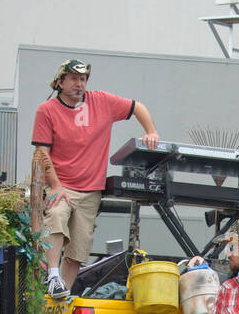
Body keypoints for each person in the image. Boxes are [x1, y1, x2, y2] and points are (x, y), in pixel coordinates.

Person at [31, 59, 159, 298]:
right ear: (60, 82)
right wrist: (56, 186)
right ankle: (53, 275)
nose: (79, 84)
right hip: (62, 185)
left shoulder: (101, 101)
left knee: (79, 249)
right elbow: (41, 153)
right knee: (57, 215)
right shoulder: (46, 110)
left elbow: (136, 107)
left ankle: (61, 296)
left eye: (83, 79)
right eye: (73, 79)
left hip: (91, 190)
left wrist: (151, 131)